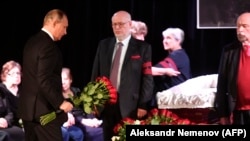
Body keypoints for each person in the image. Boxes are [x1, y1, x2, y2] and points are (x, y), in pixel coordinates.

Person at [91, 10, 153, 141]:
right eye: (114, 24)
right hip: (106, 103)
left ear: (130, 24)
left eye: (121, 24)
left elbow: (147, 78)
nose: (117, 28)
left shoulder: (143, 48)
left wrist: (143, 104)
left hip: (131, 105)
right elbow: (95, 74)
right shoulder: (104, 45)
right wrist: (94, 101)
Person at [18, 9, 73, 141]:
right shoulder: (49, 47)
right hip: (44, 113)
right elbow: (44, 79)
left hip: (28, 112)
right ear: (54, 23)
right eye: (64, 27)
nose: (65, 32)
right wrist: (60, 102)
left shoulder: (31, 42)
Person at [214, 12, 250, 125]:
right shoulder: (229, 51)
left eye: (244, 26)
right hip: (238, 112)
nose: (240, 30)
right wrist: (223, 114)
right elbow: (222, 84)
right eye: (238, 26)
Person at [61, 67, 103, 141]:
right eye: (61, 80)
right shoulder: (58, 96)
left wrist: (92, 118)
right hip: (75, 122)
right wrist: (83, 121)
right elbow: (66, 116)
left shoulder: (77, 91)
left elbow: (86, 106)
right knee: (94, 132)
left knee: (102, 130)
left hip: (85, 119)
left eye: (65, 79)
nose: (63, 82)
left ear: (71, 80)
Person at [152, 27, 191, 92]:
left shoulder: (176, 56)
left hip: (176, 96)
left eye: (168, 38)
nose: (164, 41)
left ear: (178, 40)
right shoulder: (181, 54)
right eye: (164, 38)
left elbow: (149, 71)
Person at [0, 60, 25, 141]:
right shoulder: (1, 90)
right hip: (6, 124)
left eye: (18, 73)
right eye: (13, 73)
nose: (17, 76)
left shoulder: (23, 91)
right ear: (5, 75)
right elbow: (8, 112)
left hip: (21, 123)